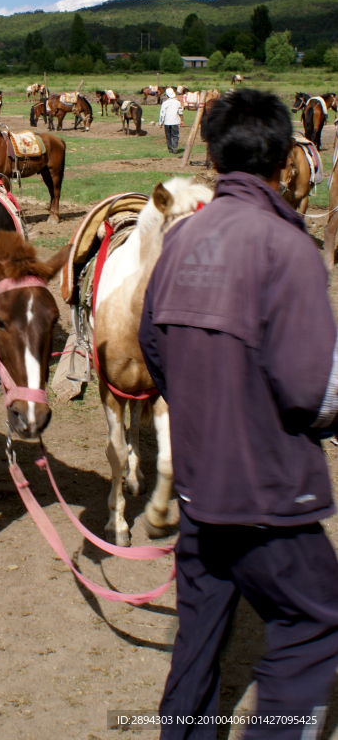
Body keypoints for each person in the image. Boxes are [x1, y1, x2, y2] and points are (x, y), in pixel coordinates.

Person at [139, 89, 338, 739]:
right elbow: (305, 391)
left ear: (218, 159)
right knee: (315, 624)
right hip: (267, 495)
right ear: (284, 162)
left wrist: (202, 405)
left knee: (196, 642)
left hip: (199, 489)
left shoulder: (180, 240)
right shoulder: (288, 249)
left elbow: (152, 348)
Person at [159, 87, 184, 154]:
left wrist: (160, 123)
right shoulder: (178, 103)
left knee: (168, 136)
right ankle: (175, 145)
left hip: (167, 122)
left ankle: (170, 149)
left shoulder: (165, 103)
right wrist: (182, 121)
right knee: (175, 135)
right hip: (175, 122)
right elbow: (180, 112)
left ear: (167, 95)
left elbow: (162, 114)